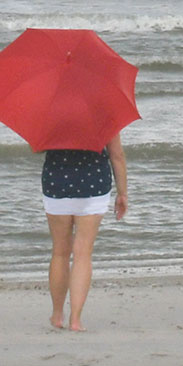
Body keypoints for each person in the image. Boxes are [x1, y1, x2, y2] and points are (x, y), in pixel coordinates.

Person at [41, 133, 128, 331]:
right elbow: (117, 155)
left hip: (56, 180)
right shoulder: (105, 110)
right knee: (82, 253)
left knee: (60, 251)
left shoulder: (49, 110)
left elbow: (36, 147)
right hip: (93, 182)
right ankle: (75, 320)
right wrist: (122, 193)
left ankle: (56, 315)